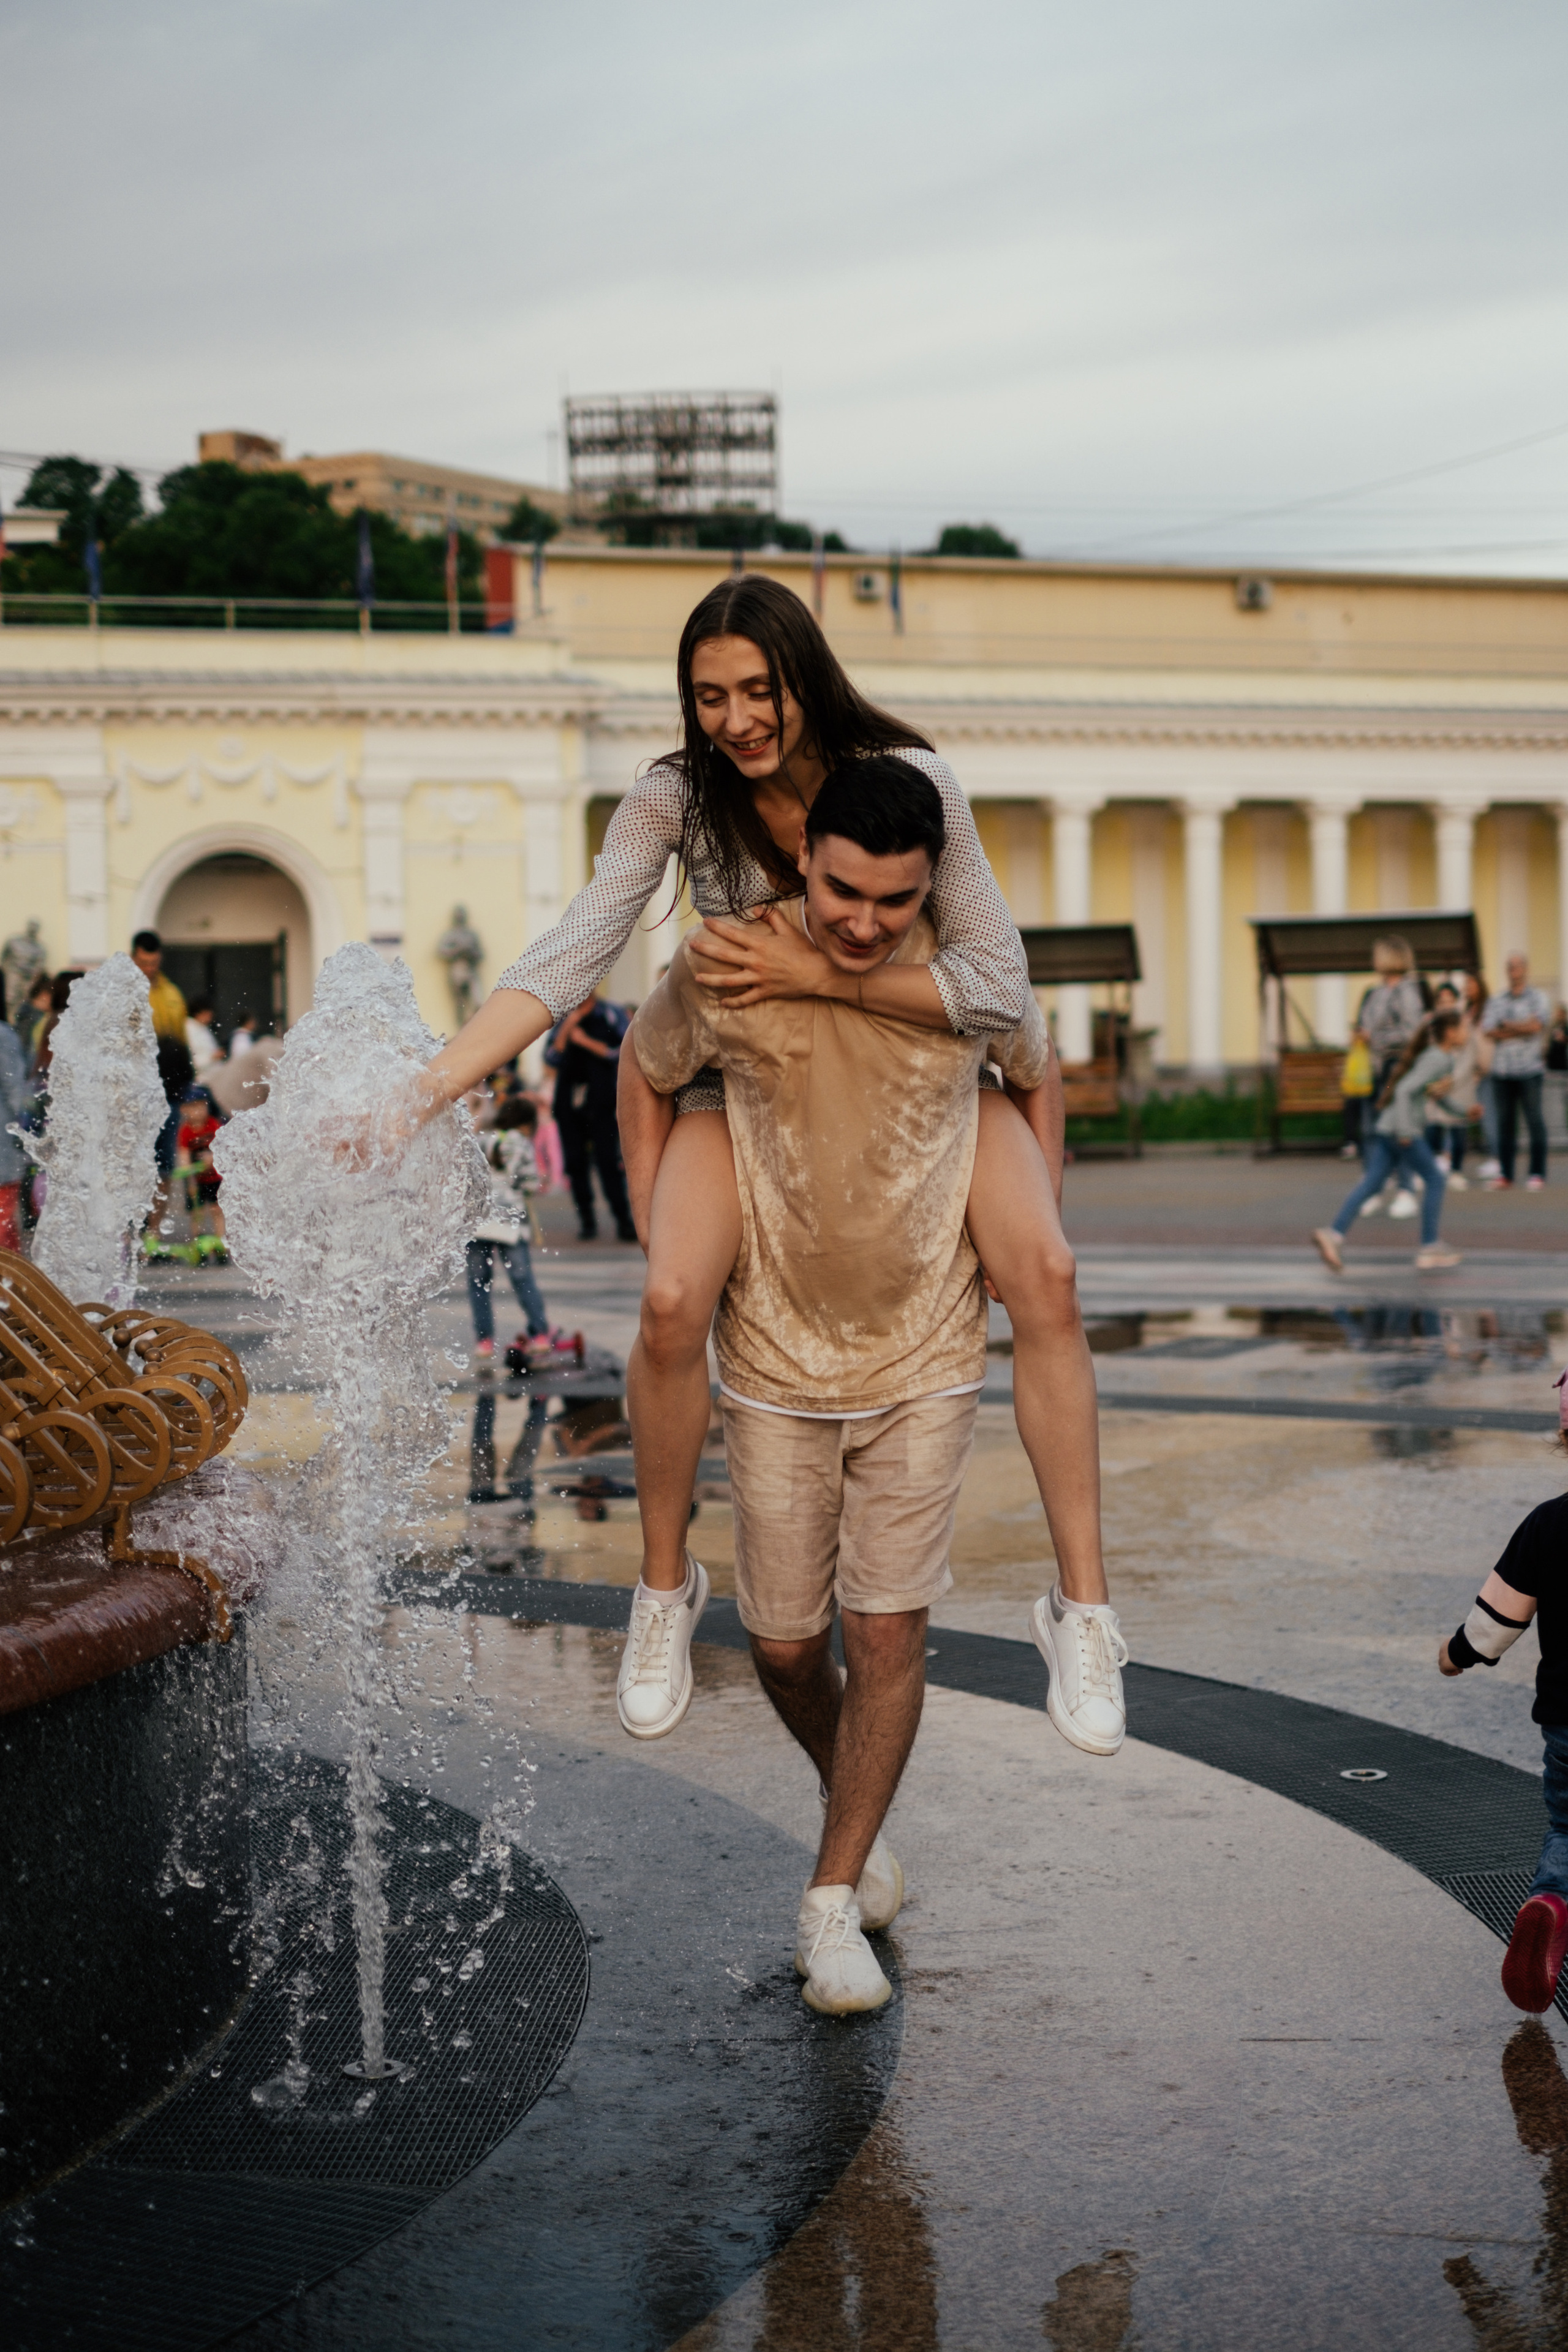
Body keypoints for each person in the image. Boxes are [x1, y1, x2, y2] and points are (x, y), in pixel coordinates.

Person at [407, 573, 1106, 1648]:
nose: (734, 719)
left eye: (756, 689)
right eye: (707, 695)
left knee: (1049, 1278)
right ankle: (662, 1586)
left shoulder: (911, 781)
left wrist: (831, 979)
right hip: (754, 1089)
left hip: (918, 1075)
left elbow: (1000, 987)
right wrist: (433, 1086)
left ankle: (1084, 1609)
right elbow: (584, 939)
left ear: (803, 677)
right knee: (673, 1303)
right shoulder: (675, 797)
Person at [617, 757, 1128, 2013]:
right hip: (777, 1356)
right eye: (842, 891)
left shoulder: (962, 982)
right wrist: (655, 1228)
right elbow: (645, 1067)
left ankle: (831, 1896)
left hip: (924, 1352)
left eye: (891, 902)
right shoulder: (726, 964)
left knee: (887, 1631)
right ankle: (852, 1802)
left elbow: (1034, 1069)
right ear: (804, 861)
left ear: (923, 891)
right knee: (785, 1647)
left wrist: (1030, 1223)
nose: (860, 921)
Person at [1437, 1374, 1568, 2013]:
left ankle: (1550, 1901)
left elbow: (1498, 1620)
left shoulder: (1548, 1524)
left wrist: (1457, 1654)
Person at [1312, 1006, 1465, 1274]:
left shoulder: (1437, 1057)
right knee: (1435, 1180)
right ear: (1451, 1033)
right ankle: (1430, 1247)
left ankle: (1333, 1235)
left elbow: (1435, 1096)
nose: (1466, 1033)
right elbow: (1405, 1091)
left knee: (1372, 1183)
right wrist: (1406, 1132)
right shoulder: (1438, 1059)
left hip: (1389, 1126)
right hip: (1401, 1130)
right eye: (1463, 1028)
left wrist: (1466, 1113)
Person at [545, 991, 638, 1242]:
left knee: (608, 1162)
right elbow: (551, 1057)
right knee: (575, 1164)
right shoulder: (563, 1016)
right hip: (569, 1101)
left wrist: (587, 1043)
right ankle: (586, 1221)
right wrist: (569, 1027)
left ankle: (624, 1221)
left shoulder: (611, 1014)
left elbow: (629, 1050)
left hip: (601, 1101)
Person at [1350, 936, 1428, 1220]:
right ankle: (1373, 1186)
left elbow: (1413, 1032)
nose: (1374, 959)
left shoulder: (1407, 992)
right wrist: (1362, 1035)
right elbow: (1367, 1023)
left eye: (1378, 954)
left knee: (1399, 1130)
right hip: (1375, 1067)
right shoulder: (1376, 992)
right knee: (1372, 1129)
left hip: (1397, 1067)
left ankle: (1406, 1189)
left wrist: (1378, 1038)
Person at [467, 1096, 551, 1362]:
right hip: (510, 1225)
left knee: (479, 1283)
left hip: (478, 1223)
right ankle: (540, 1334)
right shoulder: (522, 1143)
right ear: (528, 1124)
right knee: (522, 1280)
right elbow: (529, 1183)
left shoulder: (482, 1139)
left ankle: (484, 1341)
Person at [1483, 952, 1551, 1190]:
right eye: (1509, 966)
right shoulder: (1498, 999)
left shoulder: (1538, 998)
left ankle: (1537, 1173)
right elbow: (1489, 1030)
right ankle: (1506, 1175)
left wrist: (1508, 1026)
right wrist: (1521, 1028)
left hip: (1530, 1069)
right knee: (1505, 1124)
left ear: (1526, 969)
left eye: (1517, 966)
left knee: (1535, 1122)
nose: (1513, 970)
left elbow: (1536, 1027)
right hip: (1502, 1071)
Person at [131, 930, 191, 1196]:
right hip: (134, 1093)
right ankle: (132, 1229)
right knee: (134, 1163)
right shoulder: (123, 994)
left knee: (165, 1164)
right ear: (133, 958)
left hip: (171, 1092)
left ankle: (152, 1233)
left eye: (154, 963)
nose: (149, 969)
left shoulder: (171, 994)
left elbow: (182, 1041)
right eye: (144, 963)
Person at [0, 976, 36, 1251]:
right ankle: (9, 1290)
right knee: (4, 1227)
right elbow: (15, 1093)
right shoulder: (3, 1036)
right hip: (3, 1148)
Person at [175, 1086, 227, 1261]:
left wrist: (212, 1157)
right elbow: (183, 1153)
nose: (198, 1111)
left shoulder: (212, 1124)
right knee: (197, 1211)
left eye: (201, 1106)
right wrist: (187, 1171)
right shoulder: (186, 1130)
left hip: (214, 1178)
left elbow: (222, 1145)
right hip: (196, 1179)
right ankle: (198, 1241)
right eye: (193, 1107)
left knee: (216, 1209)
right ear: (184, 1110)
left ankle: (221, 1243)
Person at [186, 998, 224, 1079]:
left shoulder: (203, 1028)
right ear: (199, 1013)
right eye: (208, 1013)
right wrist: (213, 1058)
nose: (211, 1016)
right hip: (203, 1079)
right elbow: (193, 1061)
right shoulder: (189, 1029)